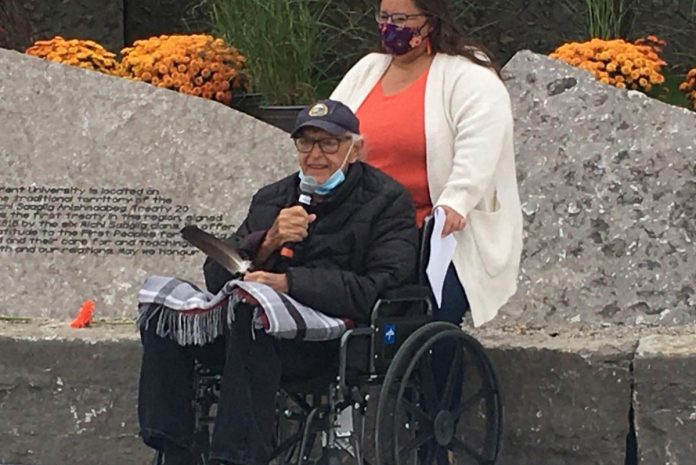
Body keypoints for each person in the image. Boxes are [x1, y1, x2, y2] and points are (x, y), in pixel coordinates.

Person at [136, 99, 418, 465]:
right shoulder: (274, 198)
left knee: (251, 317)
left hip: (331, 340)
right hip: (257, 330)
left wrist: (288, 283)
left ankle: (235, 457)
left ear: (355, 150)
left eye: (328, 144)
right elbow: (217, 274)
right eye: (306, 144)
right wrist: (269, 240)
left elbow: (379, 288)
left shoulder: (387, 201)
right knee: (165, 314)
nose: (315, 155)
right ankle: (173, 445)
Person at [331, 0, 523, 329]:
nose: (390, 26)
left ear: (430, 21)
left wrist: (456, 201)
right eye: (384, 17)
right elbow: (330, 128)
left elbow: (479, 149)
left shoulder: (470, 78)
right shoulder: (367, 70)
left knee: (432, 312)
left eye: (402, 18)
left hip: (432, 234)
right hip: (361, 226)